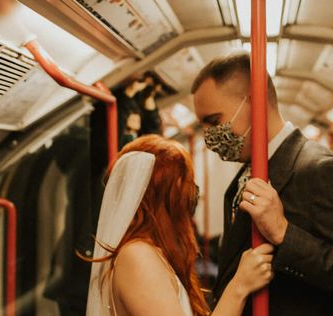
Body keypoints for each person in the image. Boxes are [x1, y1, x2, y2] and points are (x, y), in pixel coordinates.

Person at [192, 52, 333, 316]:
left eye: (214, 121)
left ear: (255, 104)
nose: (209, 136)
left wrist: (285, 234)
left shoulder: (320, 171)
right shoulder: (244, 175)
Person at [85, 134, 274, 316]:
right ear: (170, 195)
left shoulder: (145, 251)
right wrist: (239, 286)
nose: (191, 199)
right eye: (188, 187)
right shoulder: (137, 257)